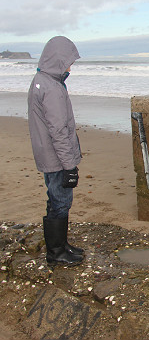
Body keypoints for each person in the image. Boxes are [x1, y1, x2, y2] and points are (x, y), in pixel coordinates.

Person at [28, 36, 84, 265]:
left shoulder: (42, 80)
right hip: (57, 158)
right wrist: (70, 166)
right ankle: (56, 253)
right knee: (61, 202)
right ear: (59, 59)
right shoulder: (52, 88)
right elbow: (59, 131)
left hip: (49, 155)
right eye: (69, 61)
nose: (70, 66)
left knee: (55, 200)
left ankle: (61, 246)